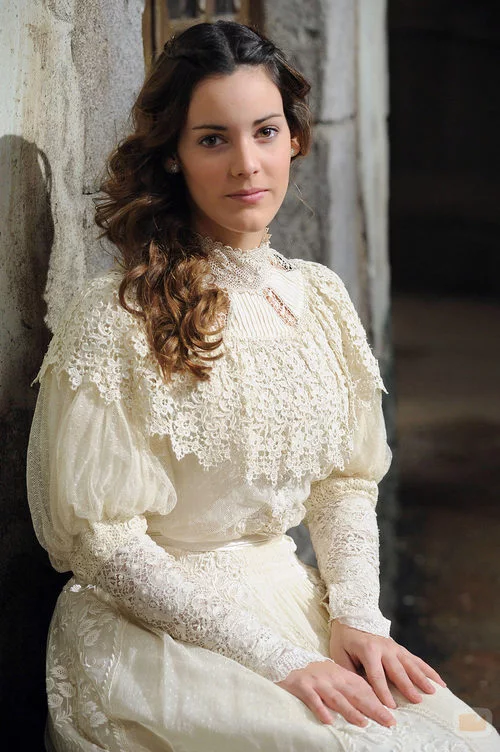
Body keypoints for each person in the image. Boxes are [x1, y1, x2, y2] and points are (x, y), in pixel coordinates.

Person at [26, 19, 500, 752]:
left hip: (287, 599)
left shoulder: (320, 299)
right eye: (213, 139)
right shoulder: (117, 315)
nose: (247, 164)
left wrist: (358, 619)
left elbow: (344, 483)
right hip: (155, 637)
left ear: (295, 140)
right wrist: (278, 660)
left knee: (465, 741)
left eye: (266, 132)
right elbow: (104, 544)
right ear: (175, 156)